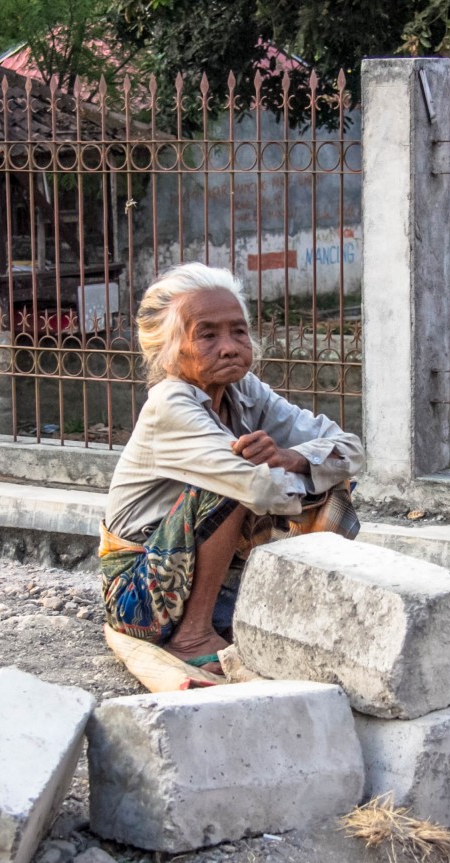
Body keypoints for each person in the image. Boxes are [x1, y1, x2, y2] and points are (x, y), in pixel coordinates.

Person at [101, 263, 364, 670]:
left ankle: (289, 615)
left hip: (210, 577)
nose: (229, 346)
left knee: (330, 478)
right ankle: (192, 635)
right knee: (233, 481)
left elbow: (350, 449)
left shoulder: (245, 389)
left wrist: (293, 457)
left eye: (237, 331)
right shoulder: (169, 403)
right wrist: (296, 472)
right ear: (170, 349)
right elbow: (256, 488)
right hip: (141, 598)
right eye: (207, 334)